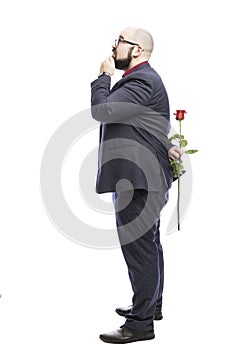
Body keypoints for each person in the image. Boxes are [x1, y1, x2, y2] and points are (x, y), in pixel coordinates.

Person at [91, 27, 182, 344]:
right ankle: (149, 305)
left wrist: (103, 77)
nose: (113, 47)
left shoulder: (141, 79)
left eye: (119, 41)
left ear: (138, 49)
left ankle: (140, 325)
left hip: (139, 182)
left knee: (140, 252)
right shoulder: (141, 81)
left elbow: (102, 110)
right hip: (143, 179)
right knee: (149, 246)